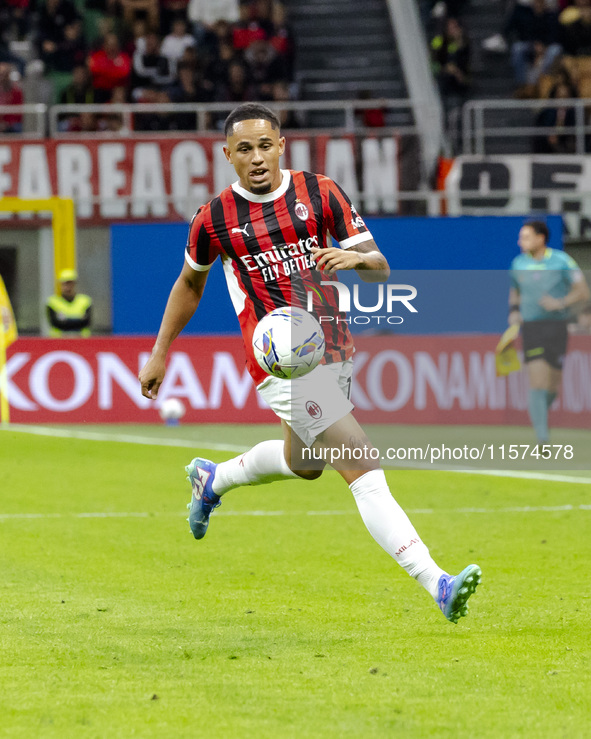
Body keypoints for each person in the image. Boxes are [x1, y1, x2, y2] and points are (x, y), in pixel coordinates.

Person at [138, 102, 481, 624]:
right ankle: (435, 580)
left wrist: (357, 258)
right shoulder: (213, 219)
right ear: (227, 155)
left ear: (282, 146)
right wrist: (160, 350)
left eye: (265, 145)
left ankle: (214, 480)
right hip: (280, 361)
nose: (257, 158)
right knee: (362, 465)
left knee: (305, 464)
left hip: (333, 345)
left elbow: (380, 268)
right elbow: (190, 283)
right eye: (244, 149)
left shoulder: (319, 192)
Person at [508, 221, 590, 444]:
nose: (520, 242)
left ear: (540, 238)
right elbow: (515, 291)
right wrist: (514, 311)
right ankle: (542, 439)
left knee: (552, 386)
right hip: (532, 328)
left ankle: (539, 413)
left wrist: (560, 302)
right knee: (537, 381)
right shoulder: (518, 263)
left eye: (525, 237)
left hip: (557, 327)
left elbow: (582, 292)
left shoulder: (562, 261)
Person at [46, 269, 92, 337]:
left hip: (81, 340)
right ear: (60, 285)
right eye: (65, 284)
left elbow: (86, 322)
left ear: (74, 284)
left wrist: (65, 321)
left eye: (70, 283)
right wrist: (78, 320)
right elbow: (55, 323)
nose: (68, 287)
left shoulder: (85, 301)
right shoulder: (52, 302)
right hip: (58, 342)